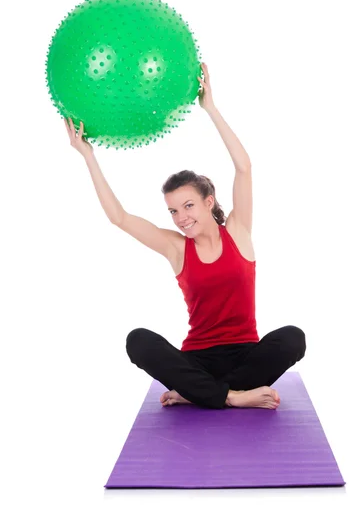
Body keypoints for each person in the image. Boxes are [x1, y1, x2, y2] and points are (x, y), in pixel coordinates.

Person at [64, 62, 306, 410]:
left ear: (209, 202)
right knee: (138, 341)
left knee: (293, 339)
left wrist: (211, 108)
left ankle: (202, 393)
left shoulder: (238, 231)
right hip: (197, 359)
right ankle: (230, 396)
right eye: (174, 211)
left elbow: (244, 167)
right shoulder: (176, 248)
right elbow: (118, 217)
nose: (181, 218)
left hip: (246, 356)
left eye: (188, 206)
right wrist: (88, 156)